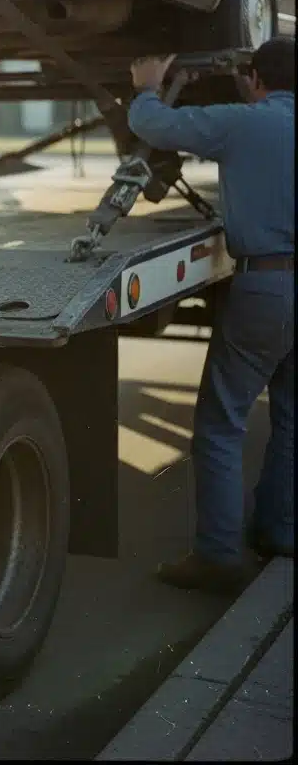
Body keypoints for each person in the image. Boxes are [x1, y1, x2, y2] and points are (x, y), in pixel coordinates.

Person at [128, 36, 295, 594]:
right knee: (292, 417)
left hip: (267, 284)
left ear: (255, 79)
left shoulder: (245, 123)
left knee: (223, 422)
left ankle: (219, 555)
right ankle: (279, 530)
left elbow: (158, 127)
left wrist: (148, 88)